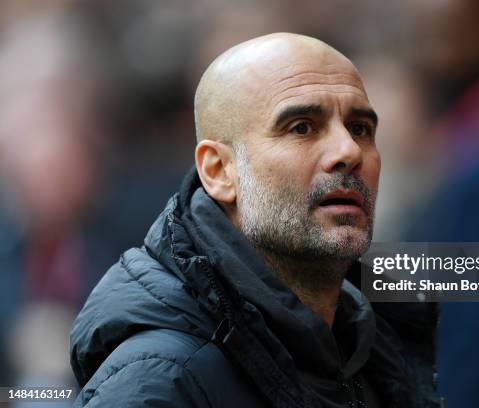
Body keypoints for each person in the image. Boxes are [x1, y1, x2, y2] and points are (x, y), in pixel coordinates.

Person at [70, 33, 440, 408]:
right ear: (218, 171)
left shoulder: (377, 347)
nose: (347, 151)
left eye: (360, 129)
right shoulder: (162, 381)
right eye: (302, 127)